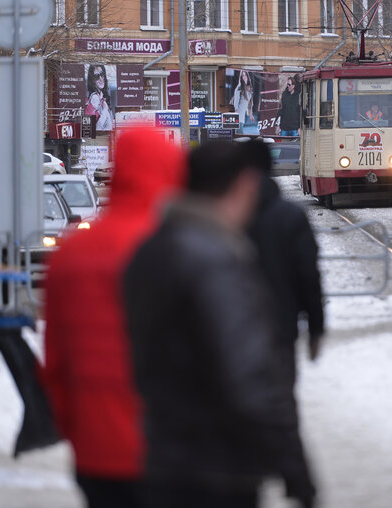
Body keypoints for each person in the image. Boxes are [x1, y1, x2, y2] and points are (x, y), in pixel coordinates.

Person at [123, 140, 315, 508]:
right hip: (220, 465)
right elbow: (250, 374)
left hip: (160, 455)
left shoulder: (149, 252)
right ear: (243, 186)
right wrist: (295, 466)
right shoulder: (218, 260)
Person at [41, 126, 185, 508]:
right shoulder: (183, 250)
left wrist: (77, 431)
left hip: (96, 452)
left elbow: (55, 363)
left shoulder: (71, 254)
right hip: (172, 452)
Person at [246, 140, 324, 386]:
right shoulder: (291, 216)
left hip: (235, 329)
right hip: (282, 326)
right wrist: (316, 328)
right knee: (280, 396)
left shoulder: (227, 215)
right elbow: (309, 276)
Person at [85, 64, 114, 131]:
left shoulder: (102, 97)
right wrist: (105, 109)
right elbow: (95, 129)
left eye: (102, 74)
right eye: (97, 76)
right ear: (92, 80)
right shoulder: (95, 98)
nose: (101, 79)